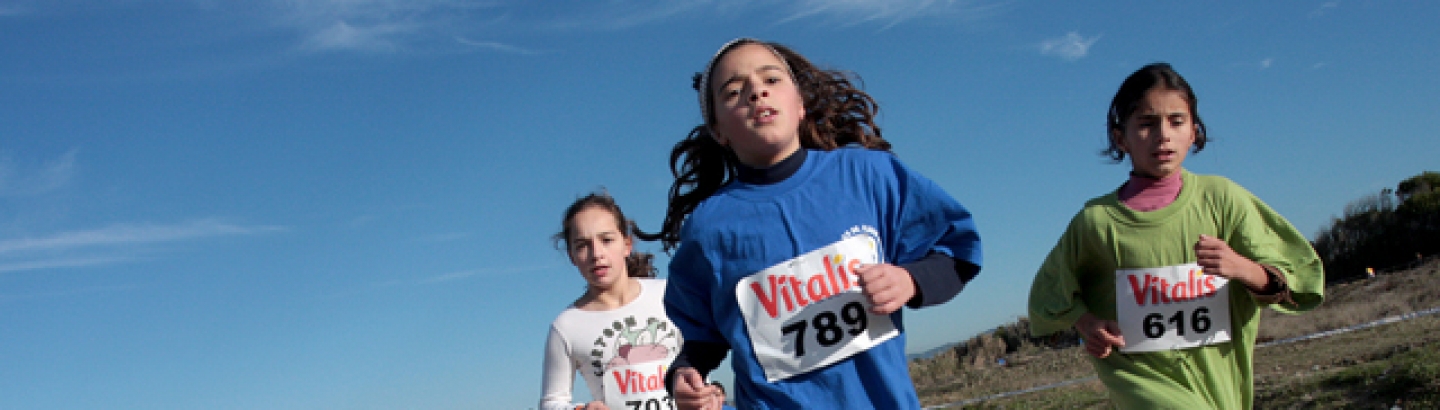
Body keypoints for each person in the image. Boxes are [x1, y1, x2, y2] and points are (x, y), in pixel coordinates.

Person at [640, 38, 983, 409]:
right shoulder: (707, 229)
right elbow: (701, 335)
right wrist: (684, 374)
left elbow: (957, 251)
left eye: (771, 80)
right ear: (718, 130)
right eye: (734, 91)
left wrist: (910, 280)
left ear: (800, 103)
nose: (757, 92)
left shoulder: (868, 175)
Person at [1026, 63, 1325, 409]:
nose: (1163, 135)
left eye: (1176, 121)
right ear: (1119, 137)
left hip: (1219, 390)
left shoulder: (1222, 199)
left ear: (1194, 132)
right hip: (1144, 387)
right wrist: (1088, 323)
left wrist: (1242, 268)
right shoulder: (1096, 221)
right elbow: (1048, 295)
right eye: (1147, 123)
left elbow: (1299, 278)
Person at [540, 192, 683, 410]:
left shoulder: (670, 294)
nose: (596, 253)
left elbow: (700, 361)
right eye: (582, 245)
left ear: (627, 245)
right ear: (571, 256)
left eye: (606, 240)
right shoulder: (566, 326)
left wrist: (712, 391)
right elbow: (551, 402)